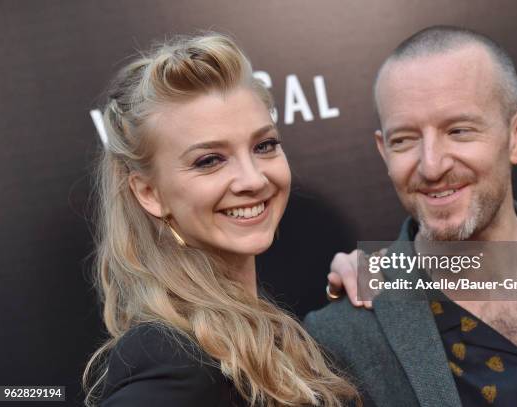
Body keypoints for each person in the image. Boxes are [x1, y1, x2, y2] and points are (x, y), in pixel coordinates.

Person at [305, 26, 517, 406]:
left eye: (459, 130)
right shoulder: (342, 337)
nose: (431, 166)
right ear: (384, 152)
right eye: (404, 139)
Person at [82, 33, 359, 406]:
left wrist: (387, 280)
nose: (253, 179)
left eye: (264, 146)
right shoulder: (171, 355)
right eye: (209, 160)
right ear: (149, 193)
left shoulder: (255, 329)